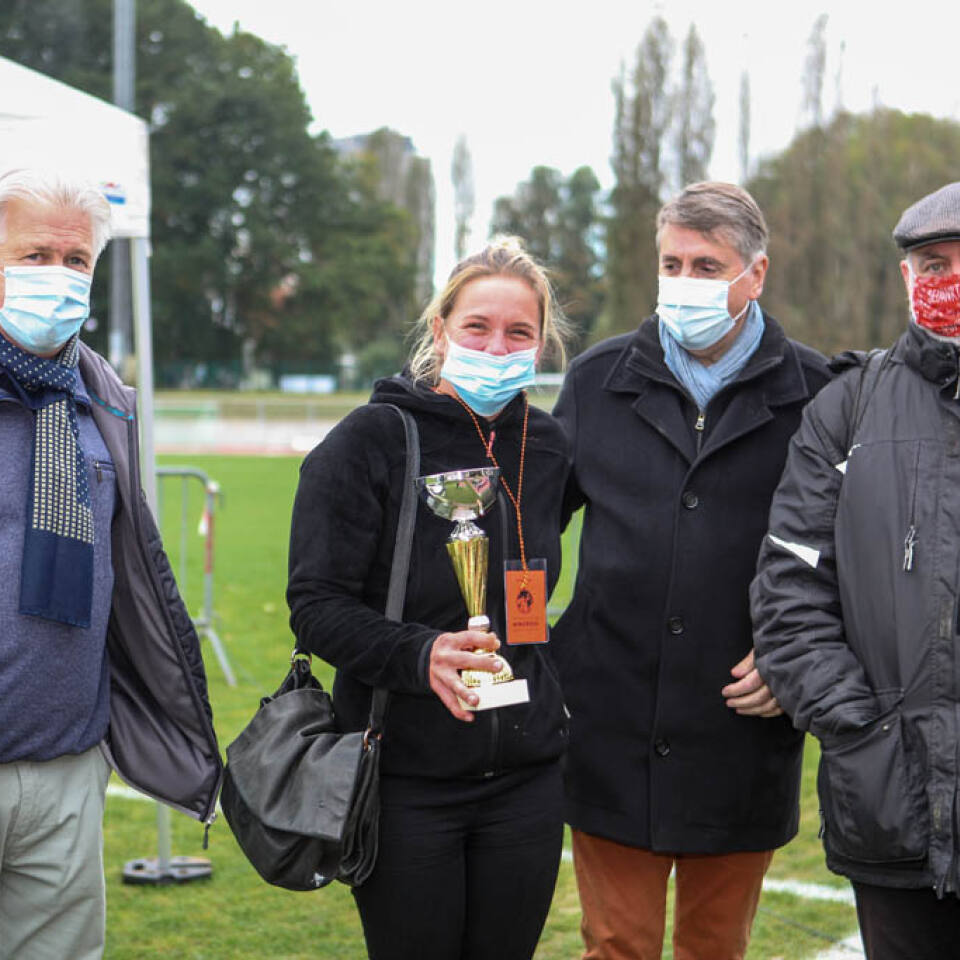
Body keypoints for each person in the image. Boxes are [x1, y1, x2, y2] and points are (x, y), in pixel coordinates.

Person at [552, 181, 831, 960]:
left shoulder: (819, 394)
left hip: (742, 727)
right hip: (609, 722)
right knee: (617, 944)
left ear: (756, 274)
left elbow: (851, 553)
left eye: (707, 267)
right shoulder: (596, 381)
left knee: (715, 948)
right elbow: (528, 529)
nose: (684, 282)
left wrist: (795, 660)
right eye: (671, 264)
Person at [287, 237, 572, 960]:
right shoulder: (371, 439)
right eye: (477, 327)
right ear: (440, 330)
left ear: (541, 345)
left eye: (518, 332)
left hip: (527, 782)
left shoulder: (548, 447)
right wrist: (423, 655)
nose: (496, 347)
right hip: (405, 782)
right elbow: (315, 603)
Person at [0, 168, 221, 960]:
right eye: (34, 255)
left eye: (76, 260)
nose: (58, 277)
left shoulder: (103, 396)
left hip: (66, 762)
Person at [751, 181, 960, 958]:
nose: (950, 282)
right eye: (934, 265)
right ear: (907, 277)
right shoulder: (850, 407)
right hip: (890, 804)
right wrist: (860, 727)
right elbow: (789, 590)